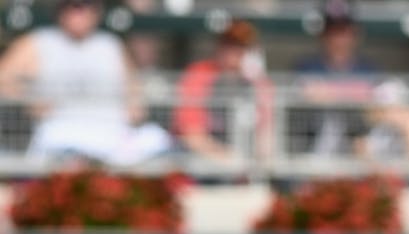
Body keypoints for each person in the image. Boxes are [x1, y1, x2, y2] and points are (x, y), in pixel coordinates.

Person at [0, 0, 170, 164]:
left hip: (112, 135)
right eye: (73, 5)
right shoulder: (37, 42)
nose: (79, 11)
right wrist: (29, 99)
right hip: (62, 133)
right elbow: (3, 79)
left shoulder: (110, 45)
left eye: (87, 5)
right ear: (60, 9)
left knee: (158, 141)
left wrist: (134, 107)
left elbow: (134, 94)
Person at [295, 0, 409, 160]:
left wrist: (340, 95)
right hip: (323, 146)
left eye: (344, 30)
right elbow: (311, 94)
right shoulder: (309, 66)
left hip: (364, 136)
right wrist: (360, 97)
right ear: (323, 34)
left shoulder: (369, 69)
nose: (339, 37)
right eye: (333, 31)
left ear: (356, 33)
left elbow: (381, 106)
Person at [172, 21, 273, 163]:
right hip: (200, 162)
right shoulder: (199, 75)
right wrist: (228, 158)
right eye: (228, 44)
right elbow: (191, 136)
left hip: (243, 162)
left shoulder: (257, 82)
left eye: (240, 47)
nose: (232, 52)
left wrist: (256, 163)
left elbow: (266, 138)